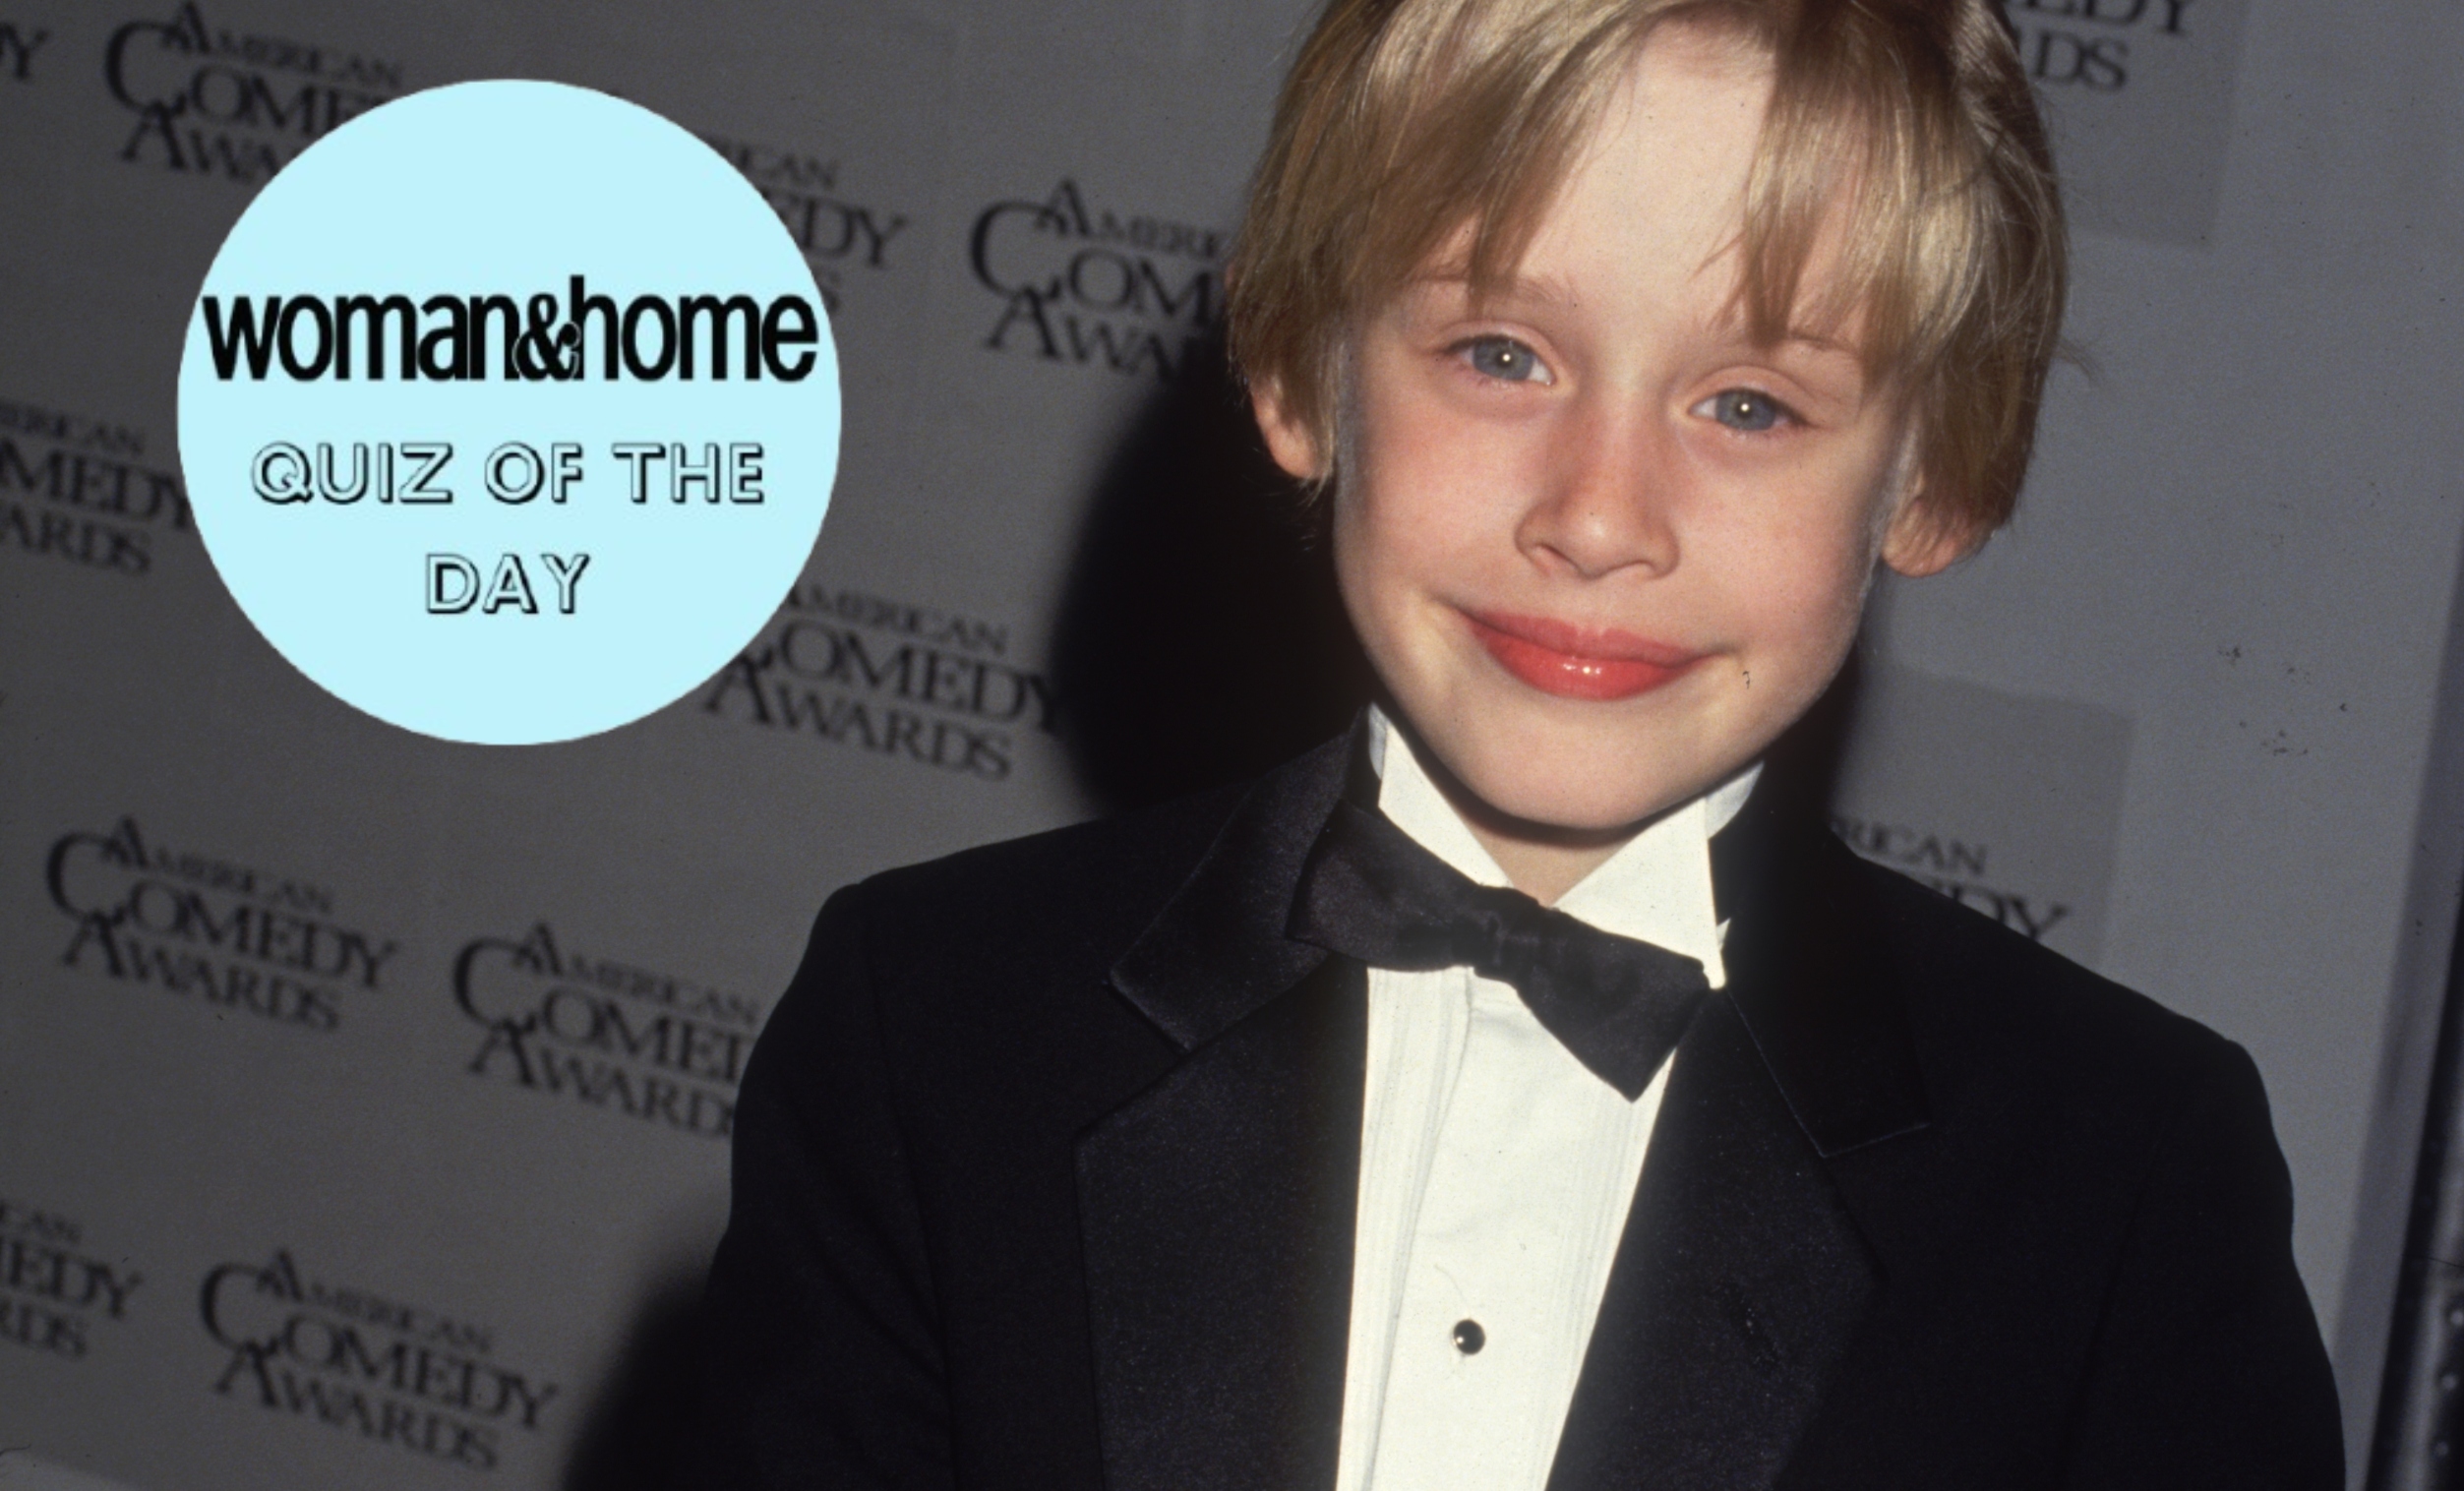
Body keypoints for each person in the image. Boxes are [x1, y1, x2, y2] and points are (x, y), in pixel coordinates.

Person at [697, 1, 2346, 1486]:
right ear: (1297, 372)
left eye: (1751, 403)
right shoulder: (929, 1027)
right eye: (1503, 355)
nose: (1601, 516)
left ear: (1932, 479)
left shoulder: (2123, 1179)